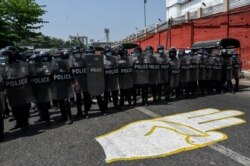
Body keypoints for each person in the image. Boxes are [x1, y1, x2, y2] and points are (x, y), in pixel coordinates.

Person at [3, 46, 32, 132]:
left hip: (21, 88)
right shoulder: (4, 64)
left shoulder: (21, 63)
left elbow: (26, 74)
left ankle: (25, 124)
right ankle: (18, 122)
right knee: (14, 108)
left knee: (23, 107)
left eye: (7, 55)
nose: (6, 57)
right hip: (10, 89)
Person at [29, 52, 52, 126]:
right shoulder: (31, 68)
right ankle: (42, 117)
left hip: (42, 88)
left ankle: (47, 119)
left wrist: (46, 73)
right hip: (35, 87)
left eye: (33, 60)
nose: (31, 62)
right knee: (38, 104)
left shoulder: (43, 67)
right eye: (31, 60)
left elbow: (48, 73)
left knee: (43, 104)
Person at [51, 51, 73, 125]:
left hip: (65, 85)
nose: (57, 59)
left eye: (58, 57)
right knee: (60, 101)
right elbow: (52, 73)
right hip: (58, 85)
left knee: (66, 101)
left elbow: (70, 73)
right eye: (55, 57)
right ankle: (63, 116)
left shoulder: (66, 64)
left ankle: (69, 117)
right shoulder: (54, 65)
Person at [103, 46, 119, 111]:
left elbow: (116, 68)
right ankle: (105, 107)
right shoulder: (102, 59)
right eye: (107, 52)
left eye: (109, 52)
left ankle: (116, 105)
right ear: (104, 52)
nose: (108, 53)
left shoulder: (114, 59)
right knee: (106, 94)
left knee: (115, 93)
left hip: (113, 79)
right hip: (105, 79)